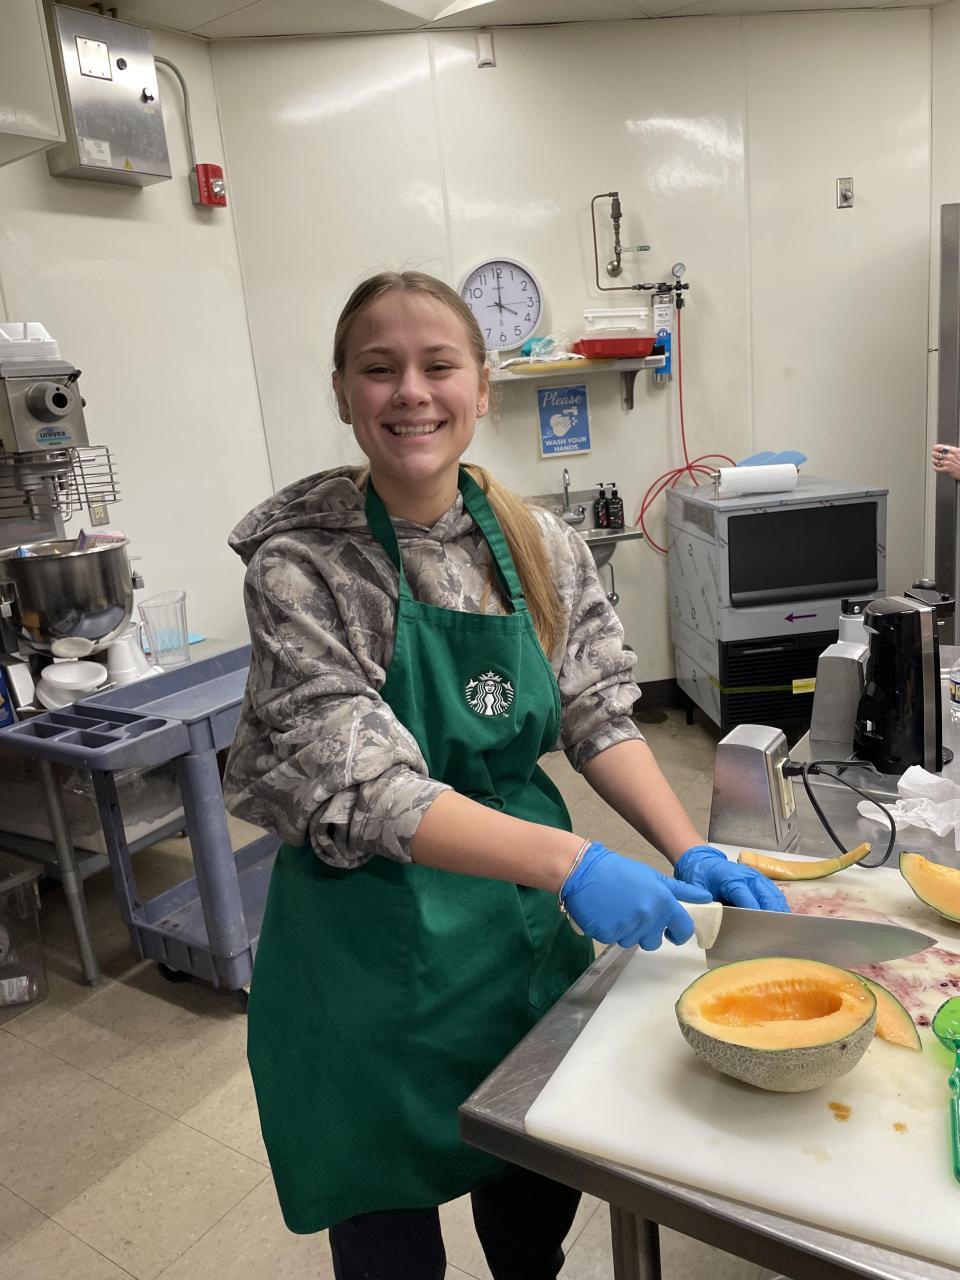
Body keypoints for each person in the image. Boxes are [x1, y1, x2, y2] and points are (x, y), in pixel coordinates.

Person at [223, 270, 788, 1280]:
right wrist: (574, 860)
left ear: (482, 387)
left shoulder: (536, 542)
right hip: (366, 959)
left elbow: (595, 709)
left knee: (530, 1206)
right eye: (379, 369)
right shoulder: (301, 566)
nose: (411, 391)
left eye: (439, 365)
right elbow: (367, 783)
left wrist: (688, 845)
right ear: (343, 392)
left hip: (512, 943)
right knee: (389, 1241)